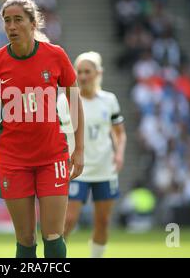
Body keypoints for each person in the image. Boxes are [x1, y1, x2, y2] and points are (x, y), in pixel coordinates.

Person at [0, 0, 84, 258]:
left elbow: (75, 103)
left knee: (53, 237)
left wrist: (79, 150)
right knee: (26, 240)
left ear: (33, 23)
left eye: (18, 20)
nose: (11, 26)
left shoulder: (55, 56)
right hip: (13, 160)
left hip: (52, 156)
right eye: (7, 21)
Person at [63, 51, 127, 258]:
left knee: (103, 221)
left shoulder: (109, 100)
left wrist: (119, 154)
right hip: (76, 169)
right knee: (69, 220)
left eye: (87, 71)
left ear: (98, 73)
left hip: (104, 169)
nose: (82, 76)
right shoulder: (65, 101)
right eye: (79, 71)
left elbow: (120, 133)